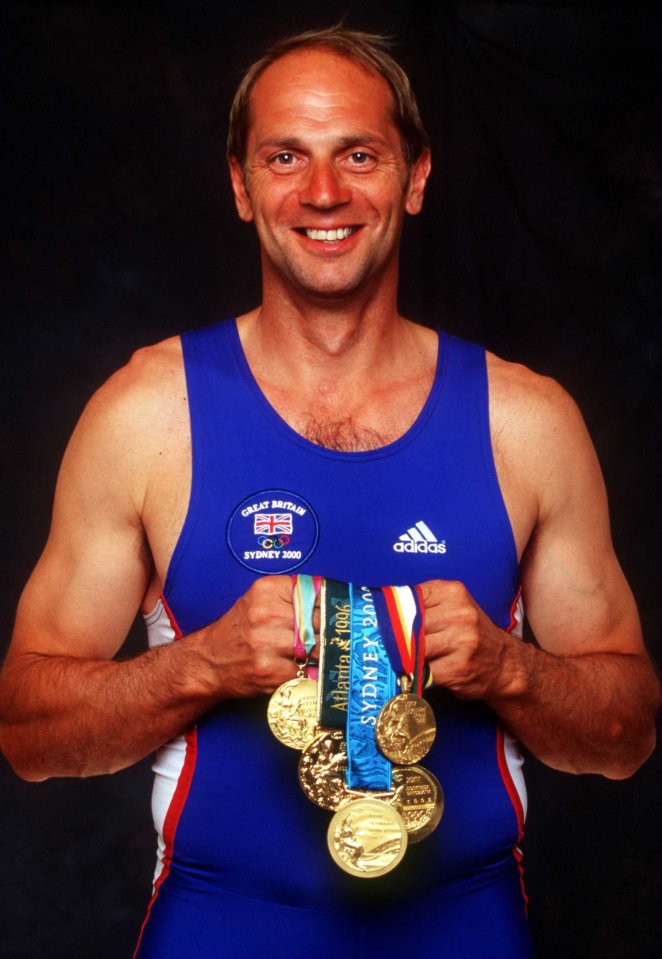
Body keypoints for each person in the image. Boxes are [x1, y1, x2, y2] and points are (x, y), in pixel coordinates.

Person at [0, 25, 658, 959]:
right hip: (219, 927)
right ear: (240, 183)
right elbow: (28, 731)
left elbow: (626, 732)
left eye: (359, 154)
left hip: (466, 927)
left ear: (416, 176)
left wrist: (512, 668)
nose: (322, 194)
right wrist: (206, 663)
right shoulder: (147, 415)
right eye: (285, 157)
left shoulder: (528, 423)